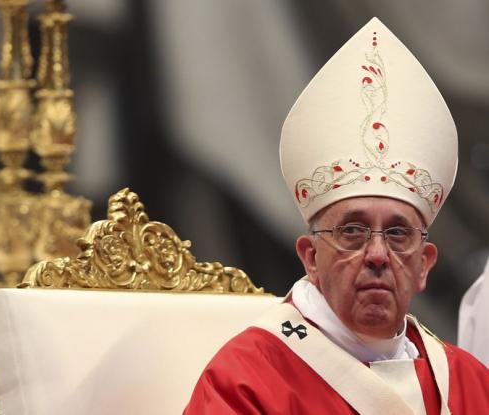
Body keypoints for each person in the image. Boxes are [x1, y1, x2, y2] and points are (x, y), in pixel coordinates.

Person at [184, 17, 489, 414]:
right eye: (353, 230)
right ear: (310, 257)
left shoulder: (468, 384)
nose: (378, 254)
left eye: (398, 233)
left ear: (424, 265)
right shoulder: (247, 379)